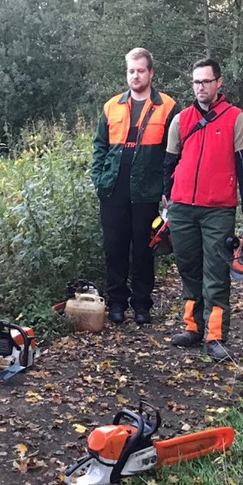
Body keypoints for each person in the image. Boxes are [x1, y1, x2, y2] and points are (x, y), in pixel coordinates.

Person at [162, 58, 243, 362]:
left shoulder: (235, 119)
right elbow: (168, 164)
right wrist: (167, 198)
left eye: (206, 81)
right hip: (182, 209)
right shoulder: (181, 120)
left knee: (215, 273)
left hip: (218, 209)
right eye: (196, 82)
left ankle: (215, 336)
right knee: (189, 269)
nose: (200, 87)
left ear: (219, 83)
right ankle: (192, 328)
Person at [91, 47, 180, 325]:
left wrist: (169, 188)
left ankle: (142, 305)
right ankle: (116, 303)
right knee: (114, 247)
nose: (135, 75)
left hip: (147, 190)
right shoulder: (111, 106)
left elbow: (175, 152)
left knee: (144, 249)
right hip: (113, 188)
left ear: (151, 73)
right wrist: (99, 179)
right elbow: (99, 147)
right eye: (131, 71)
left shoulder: (168, 106)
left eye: (141, 70)